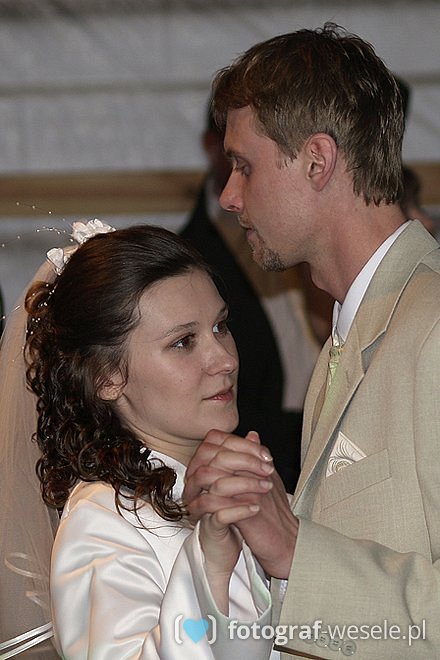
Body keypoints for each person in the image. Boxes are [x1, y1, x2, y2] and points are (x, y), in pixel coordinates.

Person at [183, 23, 440, 658]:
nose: (229, 195)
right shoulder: (349, 336)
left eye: (244, 166)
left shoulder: (432, 327)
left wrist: (295, 548)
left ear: (317, 162)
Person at [0, 220, 274, 659]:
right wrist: (209, 562)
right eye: (184, 342)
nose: (224, 359)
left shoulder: (221, 483)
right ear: (108, 377)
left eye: (220, 326)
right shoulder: (101, 522)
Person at [181, 104, 322, 493]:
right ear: (211, 146)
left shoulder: (310, 227)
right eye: (235, 161)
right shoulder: (187, 257)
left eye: (246, 165)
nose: (233, 191)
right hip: (260, 450)